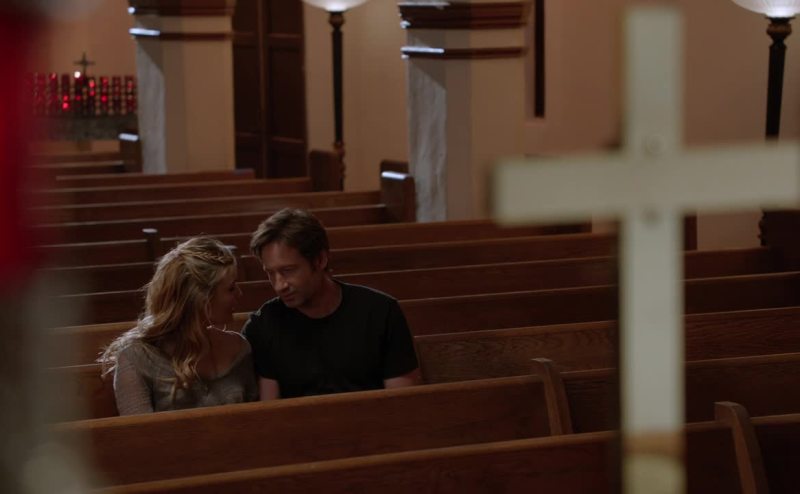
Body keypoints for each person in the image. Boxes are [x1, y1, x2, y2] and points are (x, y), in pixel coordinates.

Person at [243, 208, 420, 399]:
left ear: (320, 260)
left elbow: (402, 402)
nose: (279, 285)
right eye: (270, 273)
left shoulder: (381, 312)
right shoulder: (264, 325)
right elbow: (270, 411)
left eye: (288, 270)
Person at [99, 237, 258, 415]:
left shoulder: (239, 348)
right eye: (231, 288)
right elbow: (140, 430)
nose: (239, 293)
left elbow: (257, 418)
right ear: (201, 299)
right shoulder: (137, 358)